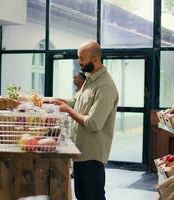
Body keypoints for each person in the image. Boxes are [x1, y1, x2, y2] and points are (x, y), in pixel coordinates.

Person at [51, 40, 119, 200]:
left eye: (82, 58)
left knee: (93, 196)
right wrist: (55, 101)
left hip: (92, 156)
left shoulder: (105, 86)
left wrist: (67, 110)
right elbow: (76, 102)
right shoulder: (90, 79)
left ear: (95, 59)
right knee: (82, 196)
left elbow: (93, 123)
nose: (79, 62)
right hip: (80, 152)